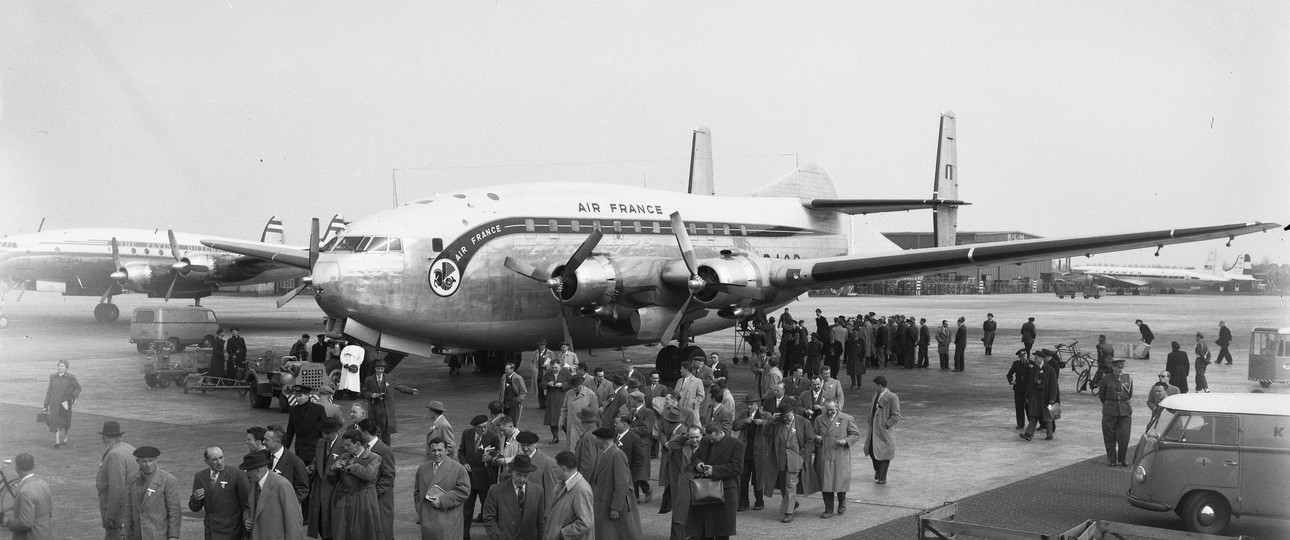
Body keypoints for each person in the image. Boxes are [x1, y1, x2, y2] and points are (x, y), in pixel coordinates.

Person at [685, 421, 743, 539]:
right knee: (705, 530)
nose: (711, 442)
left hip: (725, 492)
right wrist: (698, 464)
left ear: (721, 432)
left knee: (722, 531)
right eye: (709, 439)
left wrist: (715, 470)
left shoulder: (736, 444)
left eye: (714, 439)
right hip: (705, 490)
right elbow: (695, 457)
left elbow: (738, 467)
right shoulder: (706, 441)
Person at [764, 403, 815, 523]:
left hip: (795, 459)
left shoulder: (803, 422)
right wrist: (771, 420)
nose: (786, 418)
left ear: (792, 412)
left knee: (790, 484)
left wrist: (802, 455)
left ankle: (788, 513)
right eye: (784, 416)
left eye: (788, 415)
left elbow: (810, 440)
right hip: (780, 459)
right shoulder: (777, 422)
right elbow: (764, 433)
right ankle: (792, 503)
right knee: (783, 485)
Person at [588, 427, 642, 539]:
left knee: (616, 534)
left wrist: (615, 507)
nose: (596, 441)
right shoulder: (608, 453)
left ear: (602, 440)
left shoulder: (617, 455)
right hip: (606, 502)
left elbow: (622, 484)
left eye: (597, 438)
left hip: (613, 505)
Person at [328, 431, 383, 540]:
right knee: (342, 530)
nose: (345, 447)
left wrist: (353, 467)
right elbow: (332, 482)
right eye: (345, 444)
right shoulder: (344, 456)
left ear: (358, 444)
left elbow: (369, 475)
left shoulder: (373, 457)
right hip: (344, 499)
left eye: (348, 445)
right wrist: (333, 469)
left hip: (363, 499)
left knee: (362, 531)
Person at [238, 450, 304, 540]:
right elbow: (249, 506)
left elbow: (294, 521)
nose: (246, 473)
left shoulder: (282, 485)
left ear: (258, 471)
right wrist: (246, 518)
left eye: (248, 470)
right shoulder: (253, 483)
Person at [414, 438, 471, 540]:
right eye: (433, 450)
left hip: (448, 520)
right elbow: (417, 492)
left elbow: (464, 491)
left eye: (440, 450)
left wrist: (443, 500)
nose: (436, 453)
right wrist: (420, 508)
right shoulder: (422, 468)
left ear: (446, 450)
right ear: (429, 451)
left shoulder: (458, 469)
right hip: (427, 520)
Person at [190, 446, 251, 540]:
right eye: (214, 459)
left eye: (221, 457)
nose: (219, 462)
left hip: (233, 532)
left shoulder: (237, 474)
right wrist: (195, 499)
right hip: (211, 532)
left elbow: (246, 504)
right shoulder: (200, 477)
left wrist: (245, 534)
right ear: (206, 462)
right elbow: (195, 508)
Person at [813, 399, 861, 518]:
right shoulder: (819, 419)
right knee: (826, 483)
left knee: (839, 482)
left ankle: (842, 502)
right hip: (824, 455)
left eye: (832, 410)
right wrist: (816, 438)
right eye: (827, 409)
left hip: (840, 455)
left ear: (837, 408)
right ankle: (828, 509)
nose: (829, 412)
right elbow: (813, 433)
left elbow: (856, 434)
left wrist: (846, 440)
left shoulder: (846, 419)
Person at [121, 446, 181, 540]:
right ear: (138, 462)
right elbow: (128, 508)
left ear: (156, 460)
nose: (148, 464)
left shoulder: (168, 480)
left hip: (159, 535)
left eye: (151, 460)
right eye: (144, 461)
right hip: (137, 535)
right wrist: (124, 531)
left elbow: (174, 511)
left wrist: (173, 536)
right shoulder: (132, 480)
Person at [482, 454, 546, 540]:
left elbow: (540, 521)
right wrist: (498, 537)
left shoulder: (538, 491)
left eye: (525, 476)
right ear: (511, 472)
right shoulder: (496, 491)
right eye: (519, 475)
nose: (522, 479)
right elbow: (489, 519)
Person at [459, 415, 500, 537]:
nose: (484, 430)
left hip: (485, 480)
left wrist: (491, 457)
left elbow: (498, 452)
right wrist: (464, 463)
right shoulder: (467, 434)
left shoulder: (493, 437)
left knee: (488, 509)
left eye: (485, 426)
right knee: (466, 509)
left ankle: (493, 535)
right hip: (469, 479)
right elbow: (461, 451)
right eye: (480, 427)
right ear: (474, 427)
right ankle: (464, 535)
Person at [361, 359, 419, 445]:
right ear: (375, 369)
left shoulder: (389, 378)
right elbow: (364, 392)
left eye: (382, 369)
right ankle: (376, 446)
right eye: (378, 368)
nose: (380, 371)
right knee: (375, 429)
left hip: (386, 409)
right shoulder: (369, 380)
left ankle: (387, 447)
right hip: (375, 408)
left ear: (384, 369)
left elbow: (399, 386)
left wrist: (411, 390)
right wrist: (371, 395)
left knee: (386, 430)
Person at [356, 419, 397, 540]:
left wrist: (375, 492)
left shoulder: (385, 450)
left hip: (380, 499)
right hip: (365, 497)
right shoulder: (363, 447)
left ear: (365, 433)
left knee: (382, 531)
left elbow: (388, 476)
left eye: (359, 431)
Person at [97, 421, 138, 540]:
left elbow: (117, 489)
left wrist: (110, 516)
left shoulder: (114, 454)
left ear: (105, 438)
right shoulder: (129, 448)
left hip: (118, 518)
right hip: (131, 512)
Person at [307, 418, 343, 540]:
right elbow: (317, 461)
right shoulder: (321, 442)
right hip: (319, 489)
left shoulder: (344, 444)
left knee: (334, 524)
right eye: (323, 432)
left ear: (336, 431)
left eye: (328, 433)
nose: (325, 435)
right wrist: (312, 468)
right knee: (319, 521)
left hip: (335, 490)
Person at [545, 451, 594, 540]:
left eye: (556, 467)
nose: (554, 470)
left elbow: (585, 523)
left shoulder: (581, 489)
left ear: (563, 468)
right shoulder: (563, 485)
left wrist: (563, 534)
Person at [2, 453, 52, 540]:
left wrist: (7, 522)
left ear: (17, 468)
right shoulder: (43, 484)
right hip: (44, 534)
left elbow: (25, 523)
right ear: (33, 466)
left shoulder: (25, 491)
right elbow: (49, 512)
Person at [732, 395, 768, 512]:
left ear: (757, 404)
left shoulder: (764, 414)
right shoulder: (744, 413)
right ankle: (743, 502)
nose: (749, 406)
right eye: (748, 404)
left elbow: (772, 425)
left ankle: (759, 501)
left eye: (751, 404)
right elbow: (735, 425)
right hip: (745, 451)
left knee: (758, 477)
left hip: (758, 451)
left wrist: (762, 422)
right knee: (743, 478)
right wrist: (744, 421)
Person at [864, 376, 901, 484]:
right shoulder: (876, 395)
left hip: (883, 431)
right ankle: (878, 470)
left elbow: (896, 414)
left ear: (879, 385)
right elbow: (872, 408)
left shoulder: (892, 397)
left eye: (874, 385)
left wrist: (887, 424)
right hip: (873, 429)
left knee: (884, 454)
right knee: (871, 450)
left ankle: (882, 477)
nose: (873, 387)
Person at [1097, 358, 1134, 467]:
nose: (1120, 370)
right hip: (1110, 410)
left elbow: (1129, 394)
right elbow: (1102, 395)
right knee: (1109, 436)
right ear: (1113, 368)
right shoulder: (1106, 378)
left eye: (1121, 368)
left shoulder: (1128, 378)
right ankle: (1111, 459)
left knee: (1124, 437)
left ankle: (1122, 459)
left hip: (1125, 411)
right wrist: (1109, 404)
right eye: (1118, 368)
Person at [264, 426, 310, 507]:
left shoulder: (296, 462)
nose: (263, 442)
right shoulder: (262, 457)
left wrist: (287, 503)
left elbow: (303, 489)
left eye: (267, 440)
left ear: (277, 442)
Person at [284, 385, 327, 467]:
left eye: (300, 396)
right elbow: (290, 431)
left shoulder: (318, 409)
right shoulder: (293, 410)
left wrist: (324, 448)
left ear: (308, 395)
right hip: (300, 450)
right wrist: (285, 449)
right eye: (296, 396)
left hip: (314, 449)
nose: (297, 398)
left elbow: (324, 430)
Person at [42, 359, 81, 448]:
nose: (60, 367)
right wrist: (46, 405)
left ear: (66, 368)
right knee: (55, 421)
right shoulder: (53, 377)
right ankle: (57, 441)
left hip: (65, 403)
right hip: (55, 403)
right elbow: (49, 391)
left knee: (66, 422)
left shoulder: (71, 377)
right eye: (59, 365)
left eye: (62, 366)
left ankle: (66, 438)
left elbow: (78, 388)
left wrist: (71, 398)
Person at [1021, 351, 1059, 441]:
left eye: (1036, 358)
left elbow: (1054, 385)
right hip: (1035, 397)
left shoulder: (1050, 369)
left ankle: (1049, 434)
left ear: (1041, 358)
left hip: (1046, 398)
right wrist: (1027, 396)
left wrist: (1052, 398)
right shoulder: (1034, 369)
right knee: (1034, 416)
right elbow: (1030, 384)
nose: (1035, 359)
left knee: (1048, 417)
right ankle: (1028, 434)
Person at [613, 415, 650, 506]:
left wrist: (632, 474)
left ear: (625, 425)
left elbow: (639, 458)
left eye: (617, 423)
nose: (614, 425)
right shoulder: (614, 436)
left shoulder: (634, 438)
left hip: (628, 474)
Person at [560, 376, 599, 452]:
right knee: (571, 448)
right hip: (571, 426)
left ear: (582, 384)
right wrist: (561, 421)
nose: (574, 388)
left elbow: (595, 412)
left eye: (576, 386)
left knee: (583, 449)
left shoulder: (591, 395)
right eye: (573, 386)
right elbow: (564, 408)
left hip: (584, 427)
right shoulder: (569, 393)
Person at [542, 359, 571, 444]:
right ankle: (555, 437)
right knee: (552, 420)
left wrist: (562, 385)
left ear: (560, 366)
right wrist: (548, 384)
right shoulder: (548, 374)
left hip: (562, 398)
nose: (554, 369)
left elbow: (572, 384)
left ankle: (569, 436)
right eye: (553, 368)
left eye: (556, 367)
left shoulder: (566, 373)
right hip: (551, 399)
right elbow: (542, 384)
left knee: (563, 419)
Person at [1006, 350, 1032, 430]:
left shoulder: (1032, 364)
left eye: (1024, 355)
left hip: (1028, 389)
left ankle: (1031, 423)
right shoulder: (1016, 364)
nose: (1023, 357)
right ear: (1019, 357)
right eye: (1021, 356)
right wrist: (1011, 381)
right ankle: (1020, 424)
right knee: (1019, 407)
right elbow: (1009, 374)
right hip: (1018, 388)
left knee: (1029, 407)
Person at [500, 361, 529, 426]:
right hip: (504, 402)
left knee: (512, 420)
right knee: (504, 420)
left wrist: (518, 400)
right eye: (505, 369)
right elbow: (501, 390)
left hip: (513, 402)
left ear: (512, 369)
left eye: (507, 370)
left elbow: (523, 391)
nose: (505, 371)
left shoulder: (518, 378)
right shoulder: (504, 376)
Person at [533, 339, 556, 410]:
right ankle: (541, 405)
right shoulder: (536, 353)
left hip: (546, 373)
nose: (541, 346)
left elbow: (554, 363)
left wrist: (546, 366)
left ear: (545, 345)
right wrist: (534, 369)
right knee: (540, 390)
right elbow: (533, 362)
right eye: (540, 345)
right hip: (538, 374)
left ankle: (548, 405)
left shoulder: (550, 353)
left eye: (542, 345)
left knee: (547, 389)